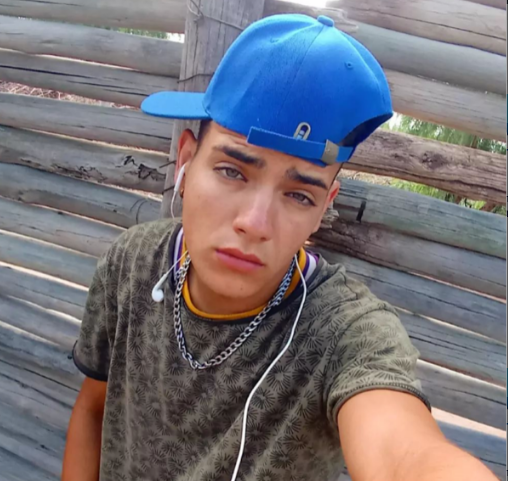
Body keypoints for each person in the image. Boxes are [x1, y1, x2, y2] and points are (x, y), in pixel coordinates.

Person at [62, 14, 496, 481]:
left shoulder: (341, 333)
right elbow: (93, 408)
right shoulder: (132, 263)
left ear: (324, 207)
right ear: (186, 161)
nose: (254, 224)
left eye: (299, 195)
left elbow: (403, 451)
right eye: (232, 171)